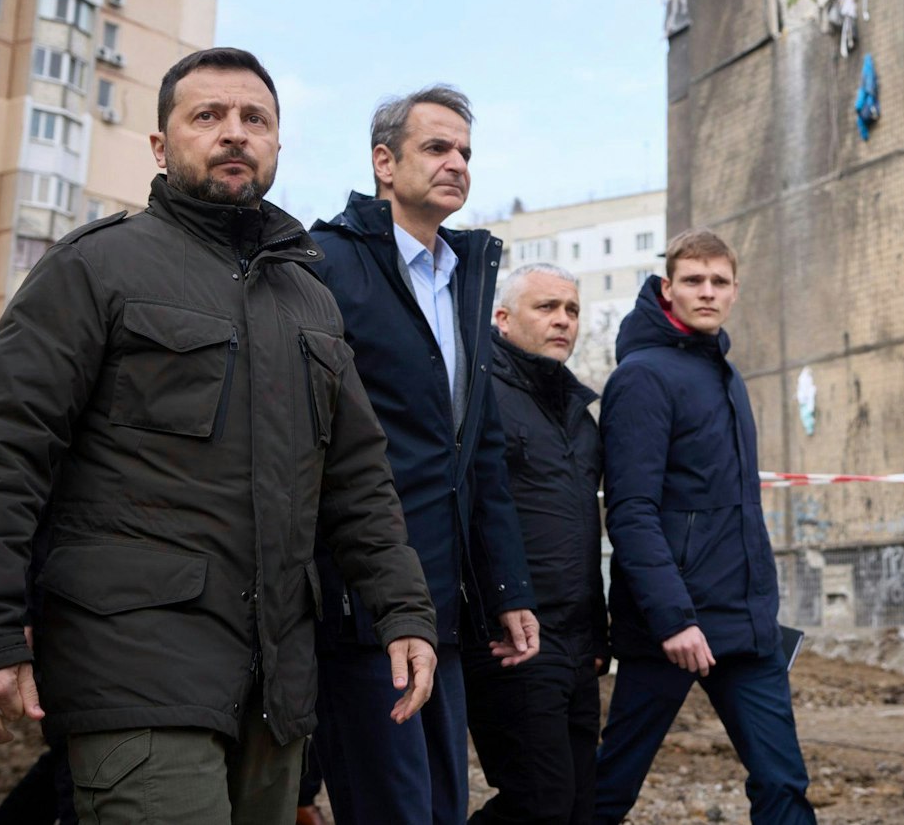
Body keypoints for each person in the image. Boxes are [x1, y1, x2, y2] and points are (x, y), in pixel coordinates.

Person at [0, 47, 438, 825]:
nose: (234, 131)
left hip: (277, 686)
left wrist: (404, 610)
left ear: (278, 143)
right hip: (135, 667)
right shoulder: (97, 267)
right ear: (161, 145)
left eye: (254, 118)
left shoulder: (309, 299)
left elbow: (357, 479)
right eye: (207, 115)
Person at [308, 86, 538, 825]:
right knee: (393, 809)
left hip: (443, 603)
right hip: (361, 604)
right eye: (437, 147)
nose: (457, 163)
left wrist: (505, 586)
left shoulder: (463, 276)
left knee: (443, 807)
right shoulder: (326, 264)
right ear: (384, 162)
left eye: (465, 151)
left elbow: (479, 453)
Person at [593, 230, 815, 824]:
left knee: (783, 783)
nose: (708, 292)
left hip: (744, 628)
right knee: (610, 789)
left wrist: (762, 610)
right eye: (694, 280)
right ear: (668, 289)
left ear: (735, 290)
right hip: (670, 630)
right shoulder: (642, 377)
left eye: (720, 281)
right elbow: (631, 512)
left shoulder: (727, 376)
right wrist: (674, 619)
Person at [464, 264, 608, 825]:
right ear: (502, 319)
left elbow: (582, 530)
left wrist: (596, 634)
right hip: (514, 636)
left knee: (578, 808)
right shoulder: (479, 394)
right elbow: (471, 511)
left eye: (571, 310)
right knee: (538, 803)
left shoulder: (579, 416)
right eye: (546, 307)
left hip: (576, 643)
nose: (563, 320)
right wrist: (499, 605)